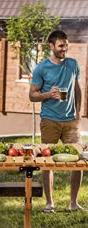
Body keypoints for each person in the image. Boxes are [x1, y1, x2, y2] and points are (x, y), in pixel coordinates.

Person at [29, 30, 84, 213]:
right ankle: (50, 203)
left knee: (77, 161)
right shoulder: (41, 68)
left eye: (66, 45)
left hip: (70, 121)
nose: (64, 49)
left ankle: (73, 203)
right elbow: (32, 95)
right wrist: (48, 94)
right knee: (47, 161)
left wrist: (79, 111)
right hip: (50, 120)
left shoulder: (72, 64)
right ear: (51, 46)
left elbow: (76, 88)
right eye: (61, 45)